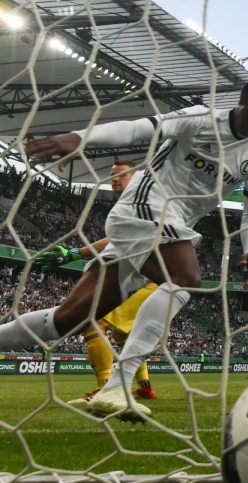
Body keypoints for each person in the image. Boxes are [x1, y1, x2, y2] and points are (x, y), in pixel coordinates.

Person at [4, 76, 248, 420]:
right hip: (143, 206)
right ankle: (118, 389)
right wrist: (79, 137)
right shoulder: (201, 119)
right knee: (186, 279)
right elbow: (138, 128)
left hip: (169, 227)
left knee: (68, 319)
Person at [32, 159, 159, 404]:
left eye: (121, 175)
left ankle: (105, 391)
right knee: (124, 336)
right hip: (146, 277)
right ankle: (145, 388)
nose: (114, 179)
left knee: (94, 322)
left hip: (154, 279)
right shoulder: (131, 202)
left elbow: (115, 241)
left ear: (136, 178)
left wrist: (74, 253)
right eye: (112, 174)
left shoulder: (142, 201)